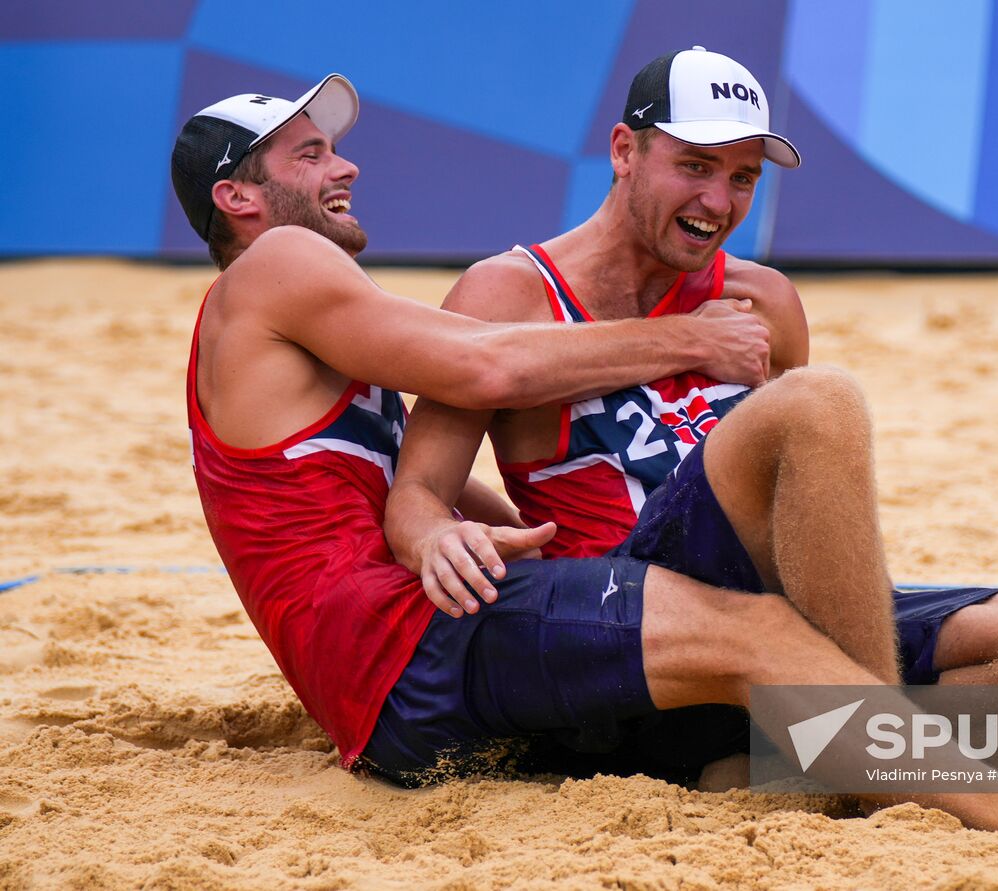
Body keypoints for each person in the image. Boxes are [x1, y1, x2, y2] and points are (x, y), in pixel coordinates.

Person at [382, 50, 998, 842]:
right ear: (622, 151)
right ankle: (878, 765)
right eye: (696, 166)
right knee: (819, 401)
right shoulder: (509, 293)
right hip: (632, 640)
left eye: (743, 177)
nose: (718, 201)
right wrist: (439, 534)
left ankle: (785, 762)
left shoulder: (764, 297)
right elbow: (415, 495)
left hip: (774, 643)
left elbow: (808, 504)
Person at [171, 72, 774, 784]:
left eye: (334, 148)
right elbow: (483, 365)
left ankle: (804, 767)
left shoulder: (289, 345)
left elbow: (394, 482)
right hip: (405, 656)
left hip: (396, 677)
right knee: (760, 634)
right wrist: (691, 341)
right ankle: (919, 776)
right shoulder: (276, 262)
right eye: (309, 155)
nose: (345, 165)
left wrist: (483, 532)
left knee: (744, 699)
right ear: (236, 197)